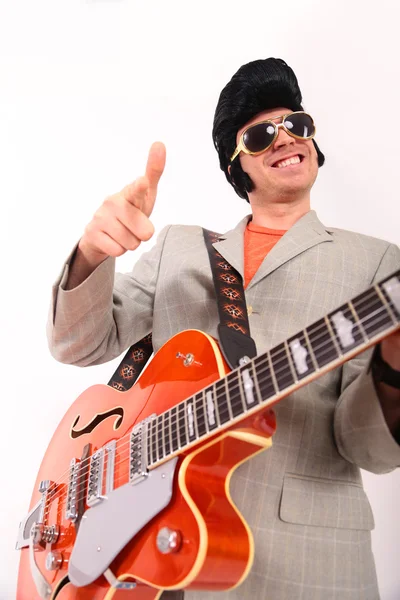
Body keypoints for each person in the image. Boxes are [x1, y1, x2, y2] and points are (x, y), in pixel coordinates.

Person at [47, 58, 400, 600]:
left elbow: (370, 450)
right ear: (237, 166)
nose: (286, 139)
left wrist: (394, 368)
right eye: (261, 135)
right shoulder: (179, 247)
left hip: (309, 568)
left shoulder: (377, 266)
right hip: (156, 550)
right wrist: (94, 252)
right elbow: (79, 344)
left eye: (297, 124)